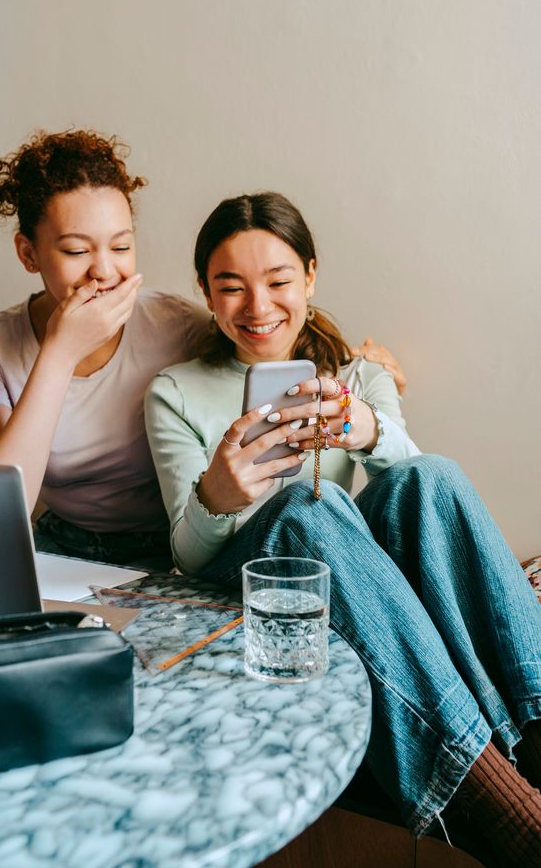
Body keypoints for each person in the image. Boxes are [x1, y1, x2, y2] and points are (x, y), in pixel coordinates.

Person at [144, 191, 541, 865]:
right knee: (306, 507)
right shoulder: (175, 391)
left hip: (344, 580)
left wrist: (367, 427)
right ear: (207, 296)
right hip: (250, 590)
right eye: (230, 287)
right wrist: (218, 494)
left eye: (277, 281)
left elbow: (420, 493)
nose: (258, 306)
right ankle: (502, 811)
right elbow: (185, 555)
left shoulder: (359, 375)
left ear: (310, 276)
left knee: (431, 475)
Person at [0, 129, 405, 570]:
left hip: (168, 546)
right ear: (29, 254)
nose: (104, 270)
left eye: (122, 246)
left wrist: (363, 371)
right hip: (63, 545)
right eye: (75, 251)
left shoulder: (174, 325)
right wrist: (59, 352)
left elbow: (259, 325)